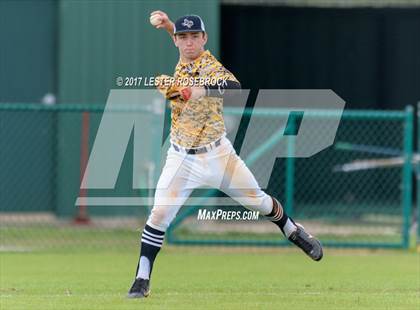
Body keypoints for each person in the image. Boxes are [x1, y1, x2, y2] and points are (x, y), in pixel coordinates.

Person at [128, 11, 323, 298]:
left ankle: (292, 230)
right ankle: (141, 279)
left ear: (205, 39)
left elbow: (234, 88)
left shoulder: (209, 65)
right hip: (181, 157)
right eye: (183, 37)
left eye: (195, 36)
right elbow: (179, 41)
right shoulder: (182, 57)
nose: (189, 42)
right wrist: (169, 25)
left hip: (218, 155)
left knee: (258, 202)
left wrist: (196, 91)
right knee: (158, 215)